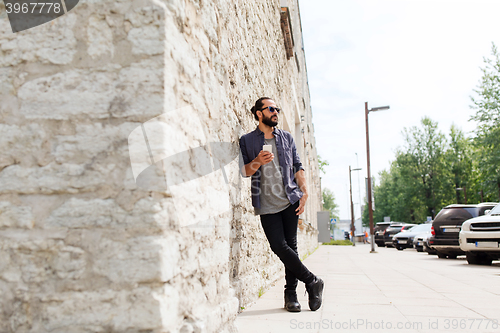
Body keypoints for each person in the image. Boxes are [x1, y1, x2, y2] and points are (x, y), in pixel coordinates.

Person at [239, 97, 324, 312]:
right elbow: (245, 171)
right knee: (278, 246)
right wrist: (257, 160)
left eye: (277, 108)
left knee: (291, 248)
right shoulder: (247, 140)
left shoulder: (287, 138)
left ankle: (291, 295)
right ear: (259, 113)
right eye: (271, 109)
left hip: (289, 200)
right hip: (266, 202)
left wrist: (304, 192)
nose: (276, 112)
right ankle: (313, 281)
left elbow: (298, 166)